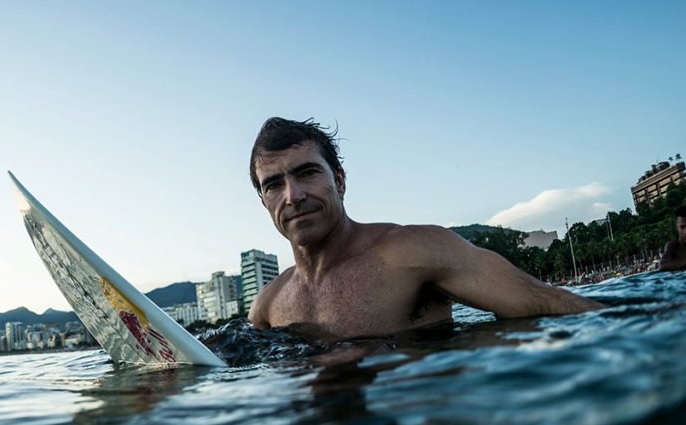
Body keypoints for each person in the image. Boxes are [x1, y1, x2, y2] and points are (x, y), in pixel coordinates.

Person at [247, 117, 603, 339]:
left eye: (307, 173)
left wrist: (653, 321)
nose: (292, 195)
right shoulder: (267, 308)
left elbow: (542, 300)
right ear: (264, 201)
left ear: (338, 181)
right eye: (274, 184)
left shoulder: (410, 253)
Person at [658, 205, 686, 272]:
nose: (685, 231)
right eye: (682, 227)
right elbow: (662, 265)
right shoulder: (672, 246)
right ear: (677, 227)